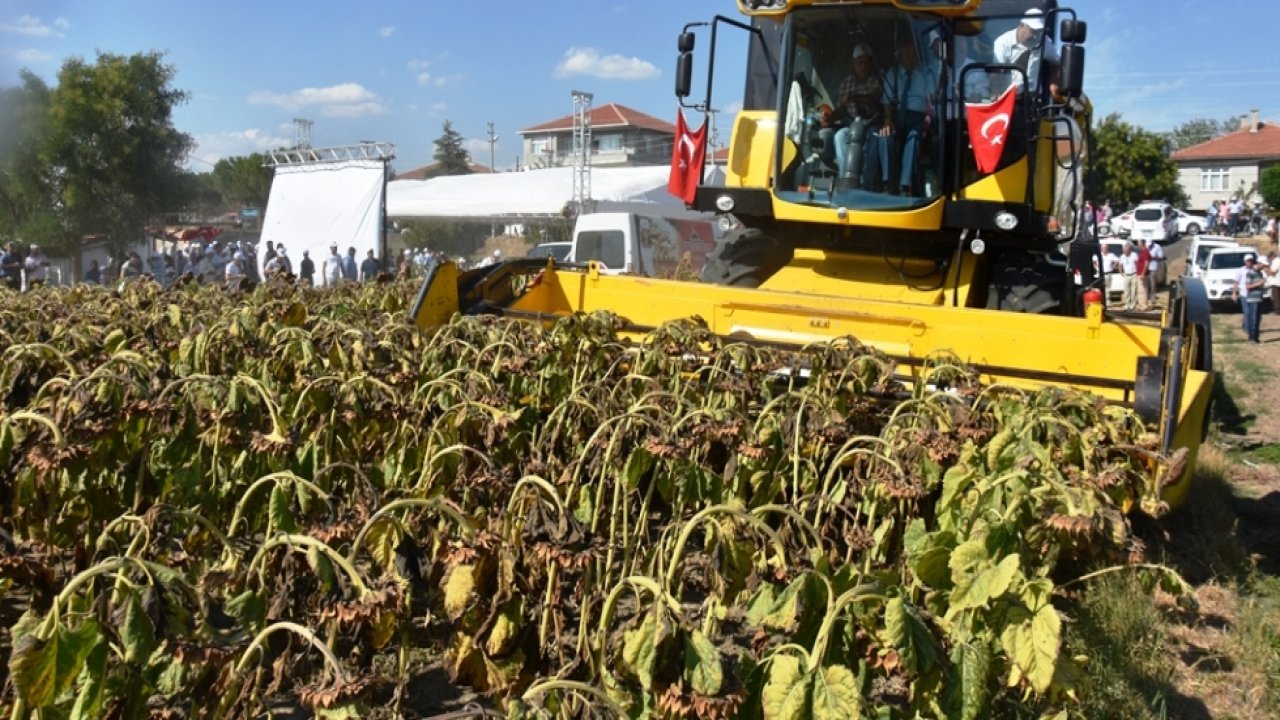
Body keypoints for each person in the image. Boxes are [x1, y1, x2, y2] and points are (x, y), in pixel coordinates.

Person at [878, 35, 938, 196]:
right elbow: (886, 100)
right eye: (906, 56)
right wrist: (887, 120)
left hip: (918, 117)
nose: (910, 59)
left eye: (913, 55)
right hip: (896, 116)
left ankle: (905, 186)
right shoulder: (893, 74)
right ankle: (888, 184)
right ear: (900, 57)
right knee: (885, 136)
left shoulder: (926, 74)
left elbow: (933, 98)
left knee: (913, 138)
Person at [832, 45, 885, 189]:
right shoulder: (846, 83)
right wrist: (842, 104)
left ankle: (868, 183)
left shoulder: (876, 82)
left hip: (870, 124)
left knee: (875, 138)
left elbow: (875, 99)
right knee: (839, 137)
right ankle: (846, 179)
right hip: (852, 125)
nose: (863, 66)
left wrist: (855, 97)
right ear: (853, 65)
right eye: (859, 63)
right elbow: (839, 111)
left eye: (866, 62)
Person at [993, 9, 1060, 99]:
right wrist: (995, 93)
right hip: (1007, 98)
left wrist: (1054, 81)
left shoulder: (1044, 42)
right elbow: (996, 72)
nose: (1036, 36)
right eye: (1033, 31)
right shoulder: (1003, 42)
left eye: (1039, 31)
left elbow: (1057, 62)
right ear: (1021, 26)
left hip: (1033, 101)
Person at [1232, 253, 1265, 343]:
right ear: (1245, 261)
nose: (1249, 262)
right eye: (1248, 260)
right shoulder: (1241, 271)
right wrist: (1234, 293)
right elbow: (1236, 282)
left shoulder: (1258, 272)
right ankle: (1250, 332)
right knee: (1248, 313)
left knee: (1253, 315)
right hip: (1244, 294)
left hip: (1254, 296)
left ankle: (1250, 331)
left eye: (1251, 260)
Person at [1118, 242, 1140, 310]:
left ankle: (1133, 304)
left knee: (1134, 291)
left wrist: (1138, 273)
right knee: (1127, 291)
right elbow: (1120, 265)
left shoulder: (1134, 255)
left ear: (1130, 250)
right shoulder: (1122, 256)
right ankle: (1127, 304)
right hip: (1126, 275)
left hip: (1134, 274)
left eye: (1127, 250)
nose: (1125, 251)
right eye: (1124, 250)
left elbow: (1137, 263)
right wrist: (1121, 272)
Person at [1145, 239, 1165, 309]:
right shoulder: (1146, 246)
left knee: (1152, 284)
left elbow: (1161, 257)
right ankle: (1146, 299)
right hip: (1146, 268)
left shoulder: (1157, 247)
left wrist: (1153, 257)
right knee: (1146, 285)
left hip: (1153, 267)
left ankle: (1153, 299)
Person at [1266, 250, 1280, 316]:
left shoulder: (1276, 261)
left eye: (1269, 258)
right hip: (1277, 282)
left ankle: (1277, 311)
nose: (1269, 259)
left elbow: (1273, 272)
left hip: (1276, 282)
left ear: (1272, 256)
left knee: (1276, 297)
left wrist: (1267, 269)